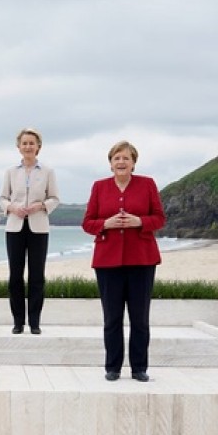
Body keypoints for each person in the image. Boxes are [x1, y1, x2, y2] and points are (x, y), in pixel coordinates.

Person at [82, 140, 165, 382]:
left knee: (139, 318)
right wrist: (104, 224)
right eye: (117, 158)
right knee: (112, 318)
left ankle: (139, 368)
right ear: (110, 164)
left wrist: (139, 221)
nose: (121, 162)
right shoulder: (99, 187)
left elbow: (159, 218)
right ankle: (113, 367)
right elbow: (88, 223)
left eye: (126, 158)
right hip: (107, 262)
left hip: (142, 260)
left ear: (133, 163)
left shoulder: (147, 184)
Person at [0, 128, 60, 335]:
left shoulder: (47, 171)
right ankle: (18, 321)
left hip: (39, 228)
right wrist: (11, 208)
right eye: (24, 143)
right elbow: (2, 198)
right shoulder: (10, 172)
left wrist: (41, 206)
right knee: (15, 276)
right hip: (14, 227)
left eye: (32, 143)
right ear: (18, 147)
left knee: (37, 276)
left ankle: (34, 322)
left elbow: (55, 198)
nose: (28, 147)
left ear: (38, 146)